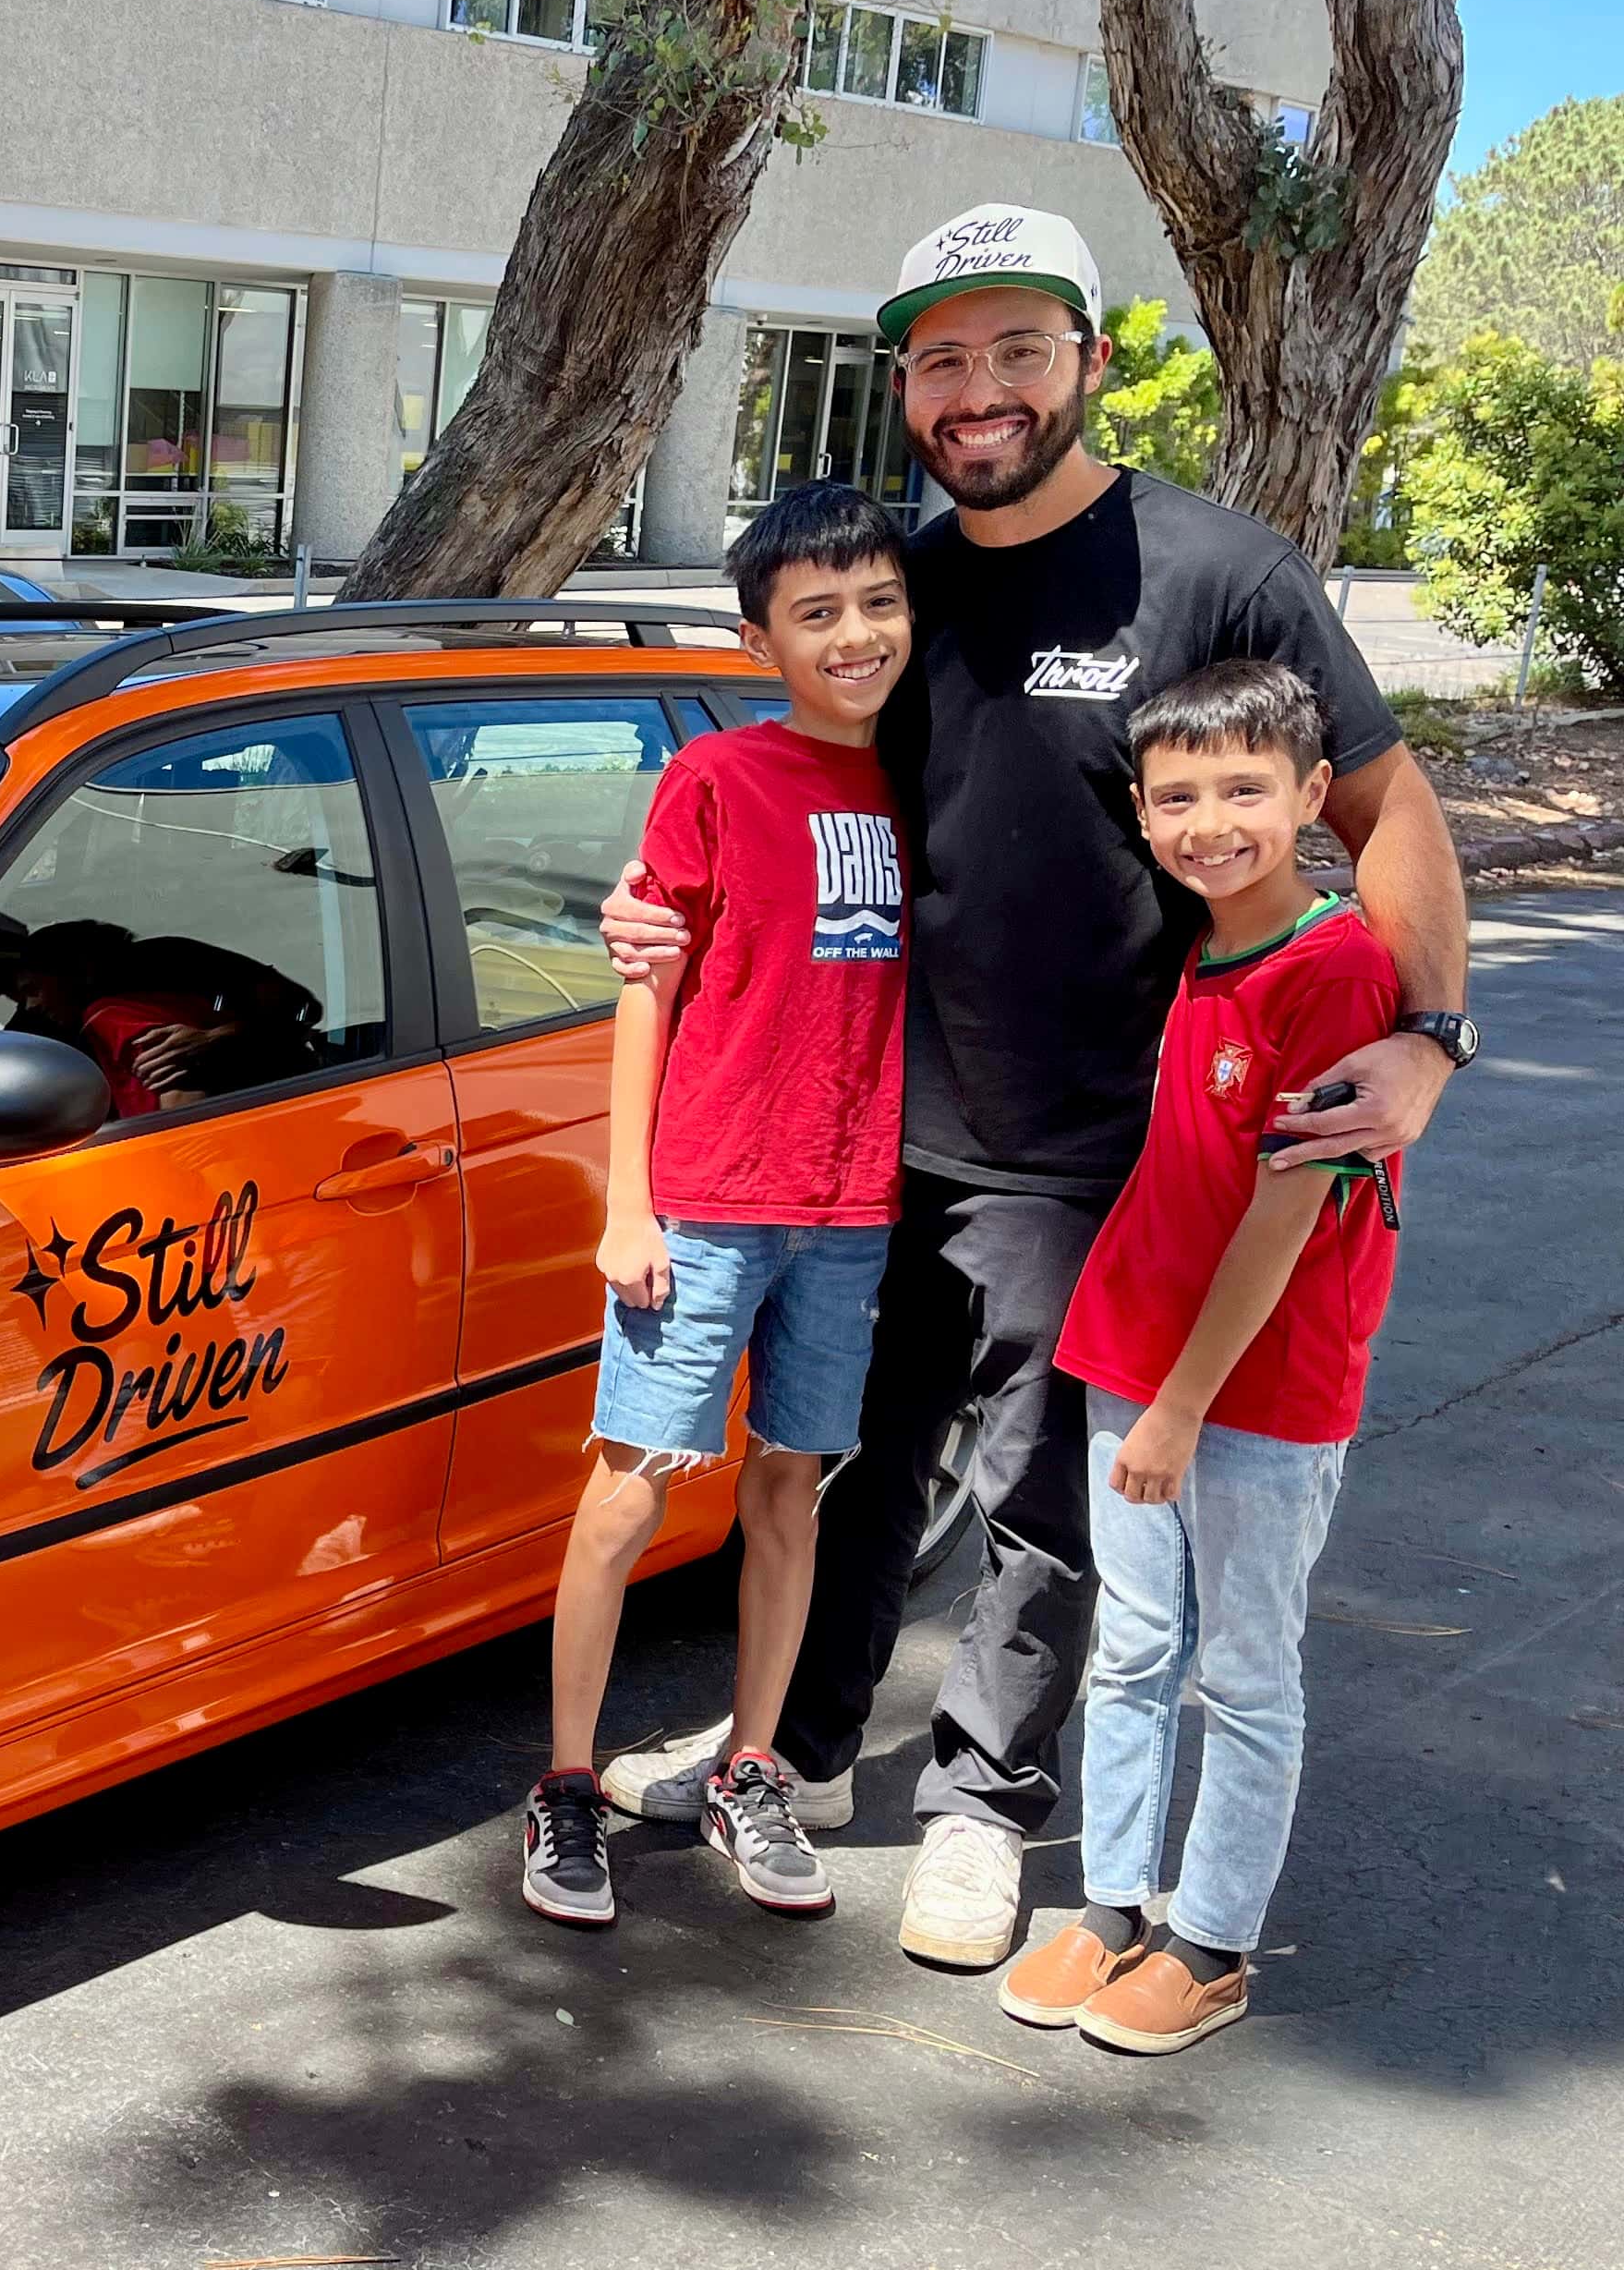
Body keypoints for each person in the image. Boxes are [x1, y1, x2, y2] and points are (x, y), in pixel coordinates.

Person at [596, 203, 1472, 1973]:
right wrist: (654, 910)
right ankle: (802, 1754)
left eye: (1015, 351)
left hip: (1092, 1152)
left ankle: (986, 1806)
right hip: (860, 1132)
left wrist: (1426, 1038)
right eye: (940, 361)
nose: (976, 391)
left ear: (1085, 358)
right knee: (830, 1460)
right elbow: (799, 789)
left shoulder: (1217, 573)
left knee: (1036, 1499)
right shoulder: (910, 581)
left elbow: (1390, 814)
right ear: (905, 387)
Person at [994, 662, 1400, 2051]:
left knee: (1244, 1671)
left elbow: (1288, 1212)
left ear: (1308, 796)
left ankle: (1214, 1938)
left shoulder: (1337, 968)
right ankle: (1113, 1905)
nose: (1209, 822)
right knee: (1133, 1650)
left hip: (1261, 1389)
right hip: (1136, 1348)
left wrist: (1177, 1410)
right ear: (1142, 809)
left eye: (1243, 790)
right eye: (1177, 797)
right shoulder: (1200, 941)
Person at [524, 481, 914, 1928]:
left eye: (878, 603)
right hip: (704, 1201)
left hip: (851, 1204)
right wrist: (628, 1202)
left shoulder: (924, 779)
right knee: (627, 1492)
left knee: (790, 1487)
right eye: (816, 614)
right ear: (762, 637)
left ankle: (755, 1768)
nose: (854, 634)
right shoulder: (721, 780)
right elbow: (648, 990)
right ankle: (567, 1782)